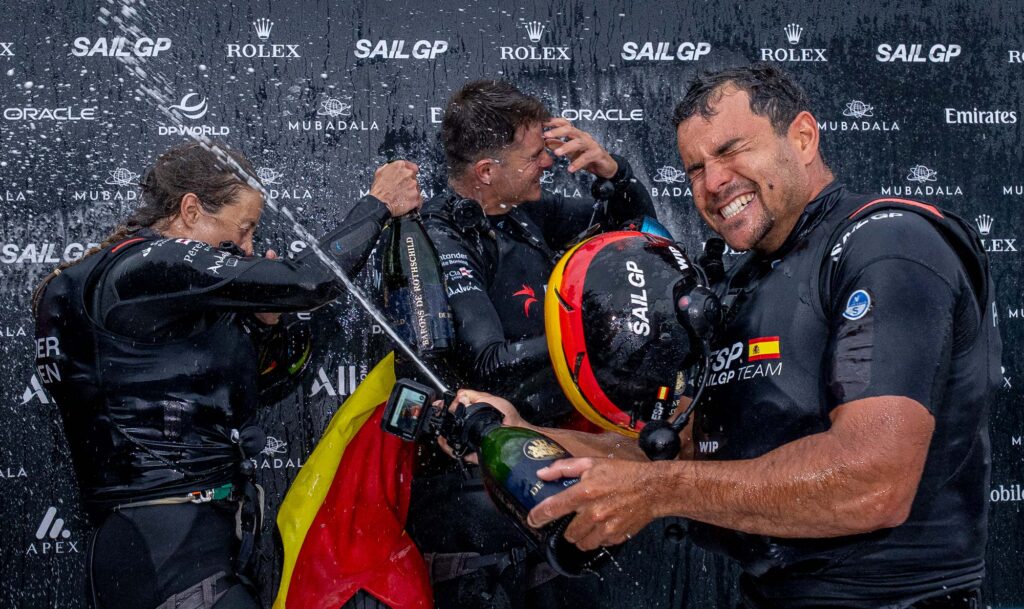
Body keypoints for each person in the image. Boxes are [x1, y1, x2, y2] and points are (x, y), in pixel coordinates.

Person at [456, 63, 1002, 609]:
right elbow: (670, 452)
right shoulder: (739, 283)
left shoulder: (887, 245)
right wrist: (517, 431)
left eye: (732, 150)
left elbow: (872, 481)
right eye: (695, 168)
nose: (713, 183)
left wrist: (655, 493)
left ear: (803, 138)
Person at [32, 141, 421, 609]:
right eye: (243, 230)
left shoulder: (134, 287)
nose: (248, 249)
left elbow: (257, 387)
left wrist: (266, 324)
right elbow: (308, 282)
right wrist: (378, 204)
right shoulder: (150, 263)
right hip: (168, 547)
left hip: (164, 542)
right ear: (190, 210)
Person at [409, 80, 658, 609]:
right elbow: (489, 365)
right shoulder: (439, 236)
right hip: (472, 490)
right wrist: (592, 335)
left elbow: (640, 234)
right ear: (486, 172)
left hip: (549, 461)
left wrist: (615, 173)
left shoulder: (526, 214)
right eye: (533, 155)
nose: (548, 162)